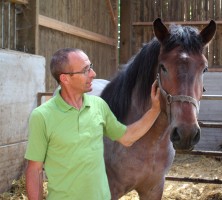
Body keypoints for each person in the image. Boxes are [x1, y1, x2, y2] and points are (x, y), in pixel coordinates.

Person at [24, 48, 161, 200]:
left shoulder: (99, 105)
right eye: (85, 70)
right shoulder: (42, 116)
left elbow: (127, 137)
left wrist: (154, 110)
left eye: (91, 67)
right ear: (65, 79)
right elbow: (34, 170)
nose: (93, 74)